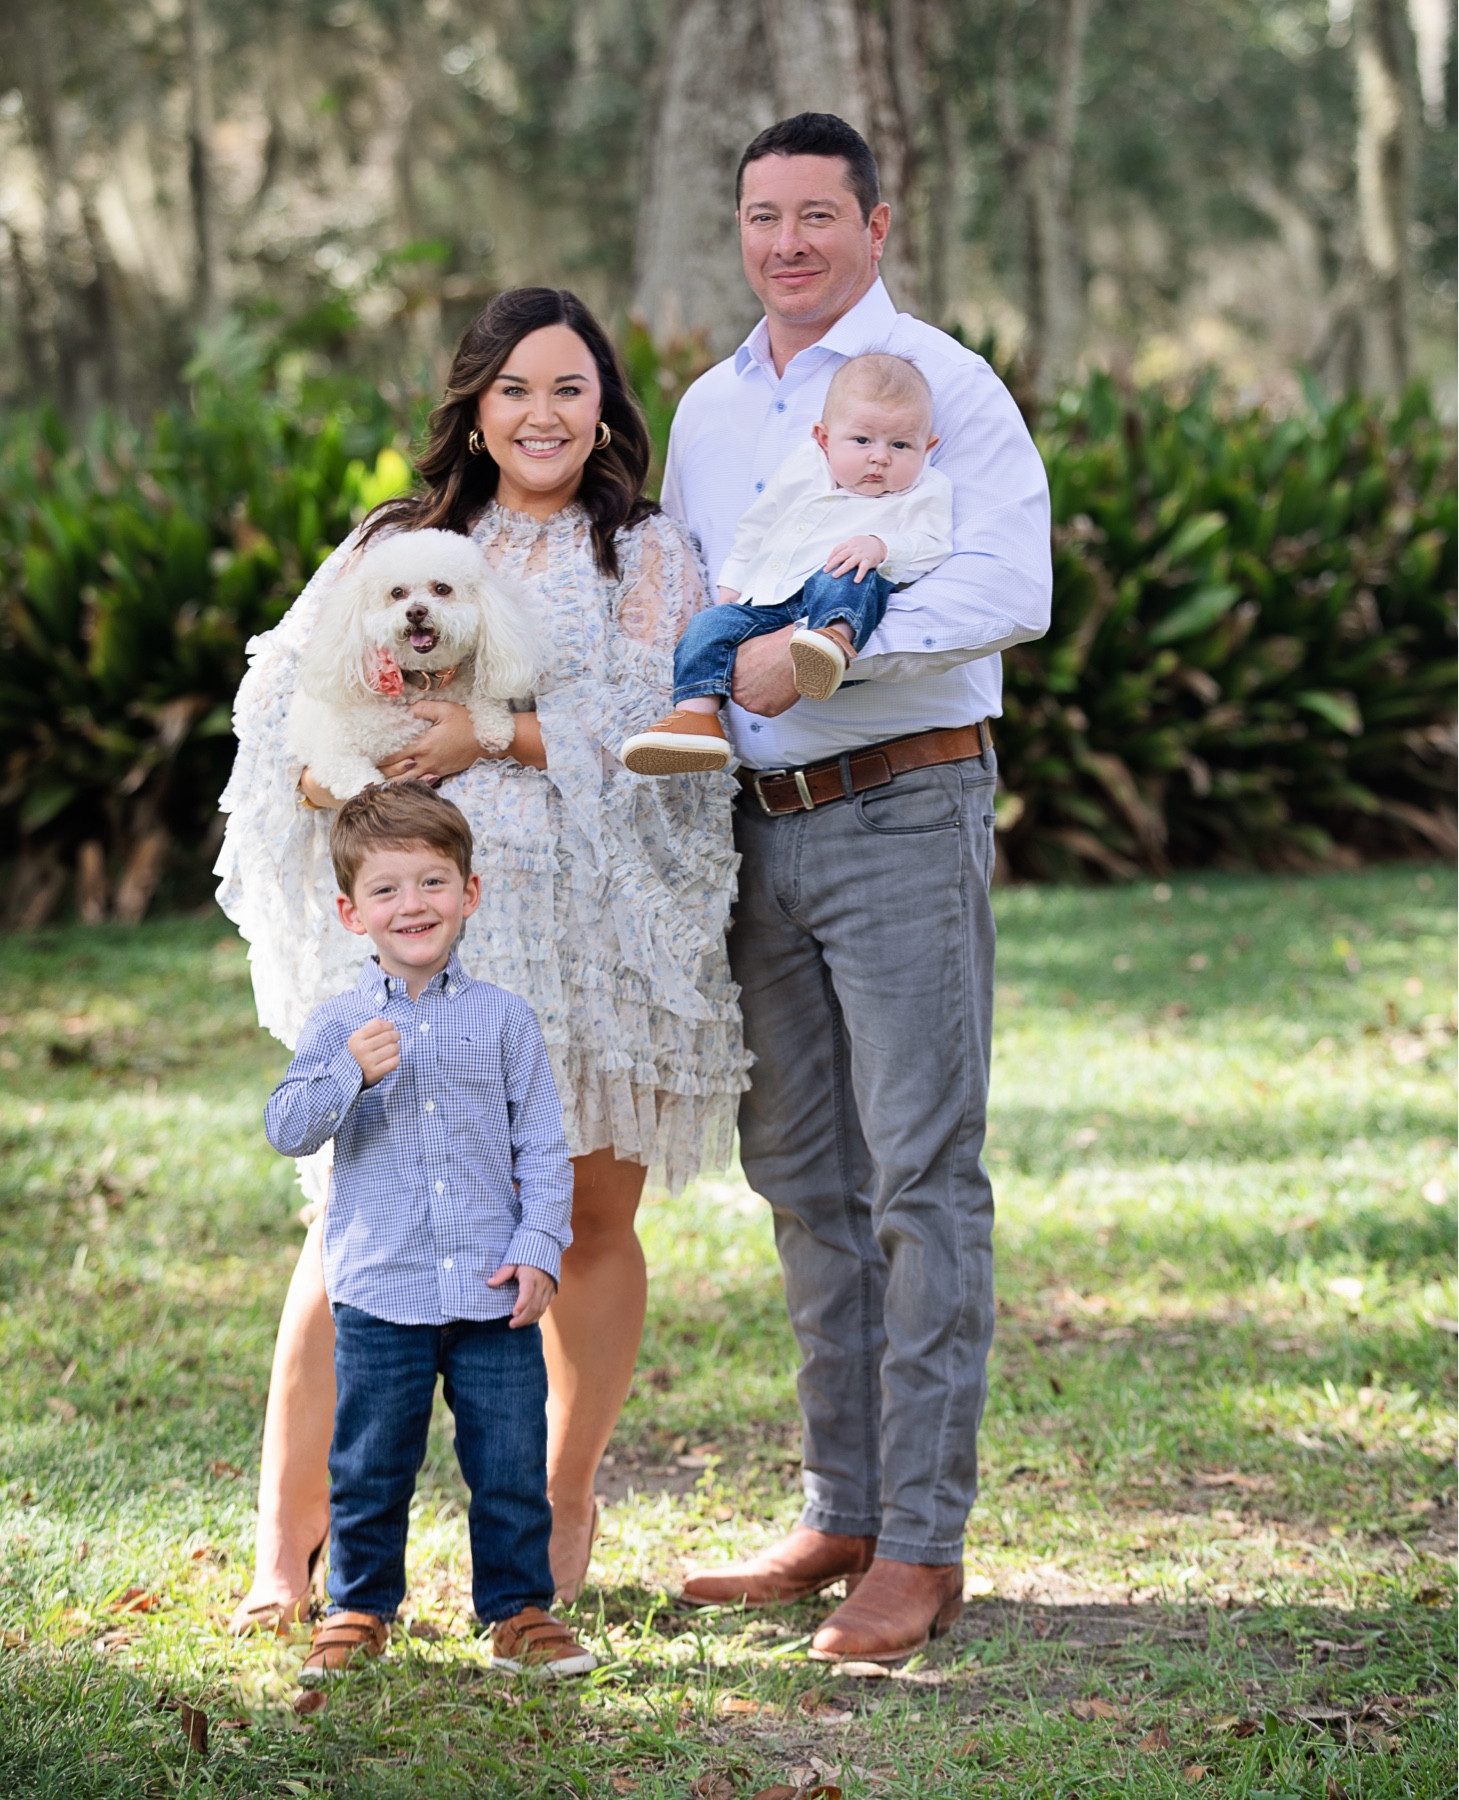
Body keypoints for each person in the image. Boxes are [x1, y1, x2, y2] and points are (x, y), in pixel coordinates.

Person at [217, 286, 748, 1632]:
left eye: (568, 388)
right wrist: (324, 775)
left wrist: (491, 738)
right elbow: (287, 686)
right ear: (476, 405)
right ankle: (288, 1553)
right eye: (515, 388)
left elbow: (659, 721)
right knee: (358, 1227)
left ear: (604, 407)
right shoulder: (406, 541)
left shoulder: (649, 554)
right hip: (420, 924)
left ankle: (562, 1499)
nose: (541, 414)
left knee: (583, 1218)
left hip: (582, 935)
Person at [665, 113, 1051, 1664]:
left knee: (916, 1178)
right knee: (803, 1176)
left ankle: (921, 1546)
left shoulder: (939, 387)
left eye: (816, 215)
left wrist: (829, 649)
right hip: (758, 825)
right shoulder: (706, 408)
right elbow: (692, 593)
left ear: (873, 228)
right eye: (762, 216)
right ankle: (840, 1504)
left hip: (901, 804)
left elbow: (1004, 586)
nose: (786, 244)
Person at [265, 783, 595, 1682]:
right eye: (386, 890)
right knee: (371, 1462)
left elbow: (544, 1146)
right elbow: (287, 1125)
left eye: (432, 882)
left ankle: (519, 1611)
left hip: (492, 1290)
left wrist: (538, 1247)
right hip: (382, 1288)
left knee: (509, 1458)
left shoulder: (503, 1019)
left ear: (468, 893)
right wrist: (346, 1076)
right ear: (351, 912)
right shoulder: (340, 1025)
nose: (411, 904)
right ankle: (360, 1608)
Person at [620, 352, 951, 774]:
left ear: (929, 447)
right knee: (708, 627)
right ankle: (696, 715)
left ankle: (830, 642)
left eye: (901, 445)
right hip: (770, 598)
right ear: (823, 437)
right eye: (862, 441)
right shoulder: (802, 468)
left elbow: (934, 544)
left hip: (834, 592)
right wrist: (733, 589)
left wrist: (881, 546)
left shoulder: (925, 490)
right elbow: (756, 529)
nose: (880, 457)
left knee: (851, 573)